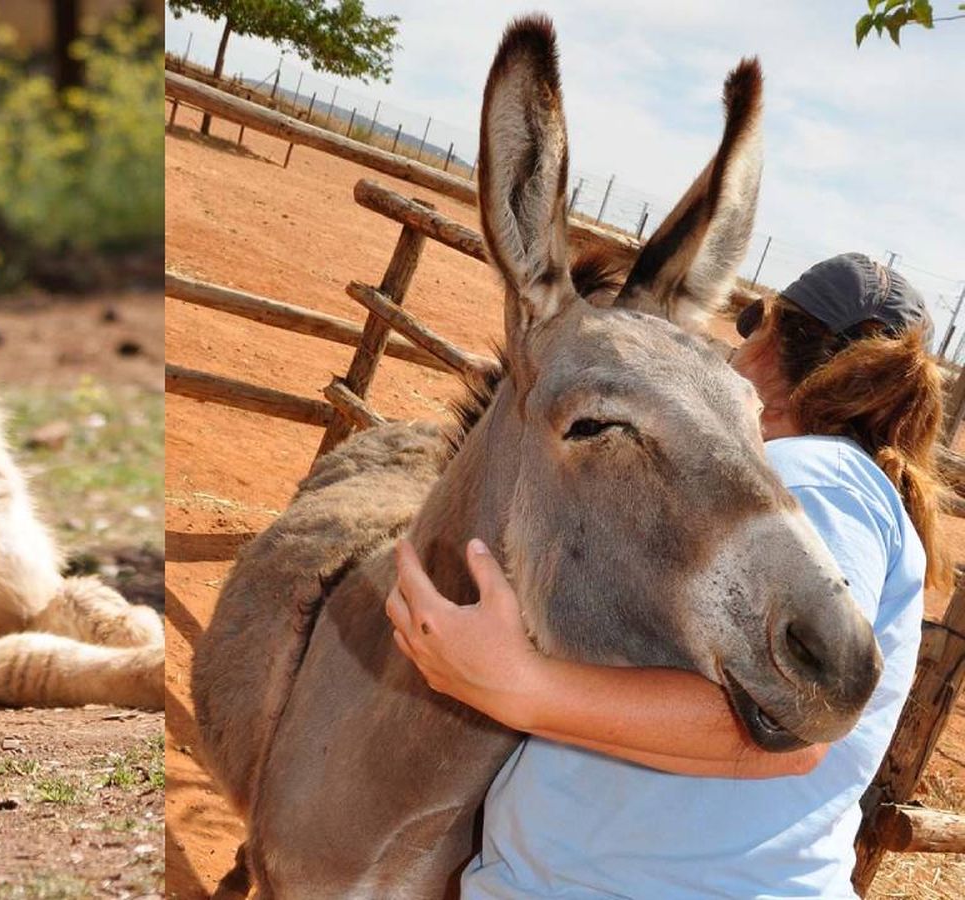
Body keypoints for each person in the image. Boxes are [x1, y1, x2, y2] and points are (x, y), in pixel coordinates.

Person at [385, 252, 950, 898]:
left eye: (752, 332)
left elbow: (802, 718)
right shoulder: (831, 486)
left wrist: (521, 686)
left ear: (768, 347)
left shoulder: (812, 477)